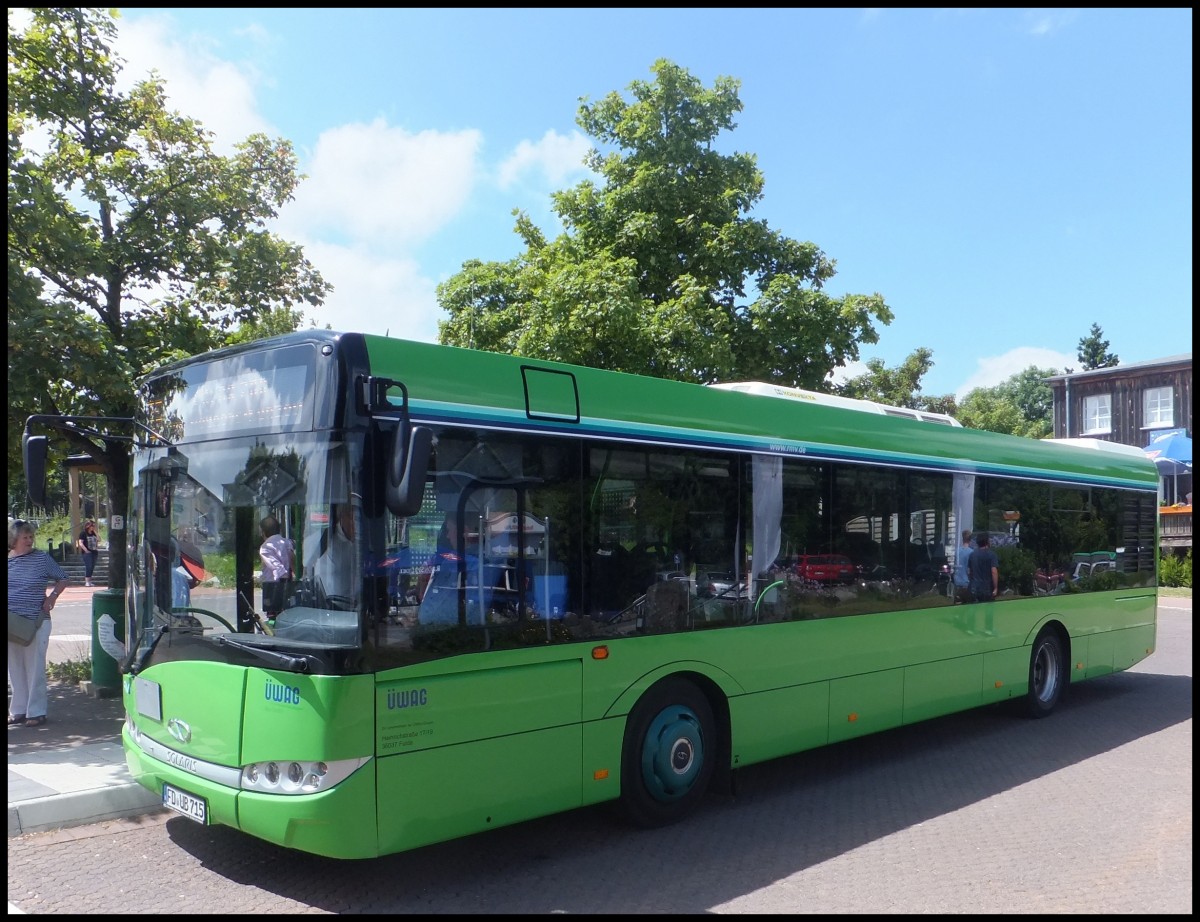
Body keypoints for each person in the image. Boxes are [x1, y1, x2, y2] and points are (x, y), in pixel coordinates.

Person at [8, 519, 69, 728]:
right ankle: (18, 710)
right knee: (14, 668)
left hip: (35, 622)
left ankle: (36, 711)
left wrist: (52, 598)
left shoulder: (41, 559)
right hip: (11, 623)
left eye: (31, 536)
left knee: (34, 668)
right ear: (13, 540)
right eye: (24, 537)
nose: (29, 540)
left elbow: (62, 578)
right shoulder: (8, 560)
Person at [314, 503, 358, 607]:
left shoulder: (362, 542)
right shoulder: (326, 542)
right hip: (332, 610)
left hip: (358, 608)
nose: (356, 525)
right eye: (354, 518)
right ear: (343, 516)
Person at [258, 514, 294, 617]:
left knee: (272, 614)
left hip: (273, 585)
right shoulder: (286, 542)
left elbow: (277, 568)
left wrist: (282, 585)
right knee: (286, 613)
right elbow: (292, 560)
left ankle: (272, 630)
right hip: (288, 582)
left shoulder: (265, 547)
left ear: (263, 532)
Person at [967, 533, 1000, 604]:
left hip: (974, 587)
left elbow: (969, 571)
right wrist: (995, 588)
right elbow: (994, 572)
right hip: (987, 587)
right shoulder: (991, 555)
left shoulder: (972, 555)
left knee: (972, 611)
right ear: (987, 542)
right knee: (988, 611)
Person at [76, 519, 100, 587]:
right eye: (92, 526)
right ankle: (87, 581)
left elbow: (99, 539)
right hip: (87, 553)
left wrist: (95, 532)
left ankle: (90, 581)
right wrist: (86, 550)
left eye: (94, 526)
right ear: (88, 526)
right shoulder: (83, 533)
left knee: (92, 567)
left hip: (94, 552)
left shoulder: (93, 533)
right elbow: (80, 543)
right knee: (88, 566)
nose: (93, 527)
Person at [952, 529, 973, 603]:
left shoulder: (957, 551)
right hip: (966, 582)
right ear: (970, 539)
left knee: (958, 604)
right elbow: (970, 569)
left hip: (957, 581)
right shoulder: (971, 552)